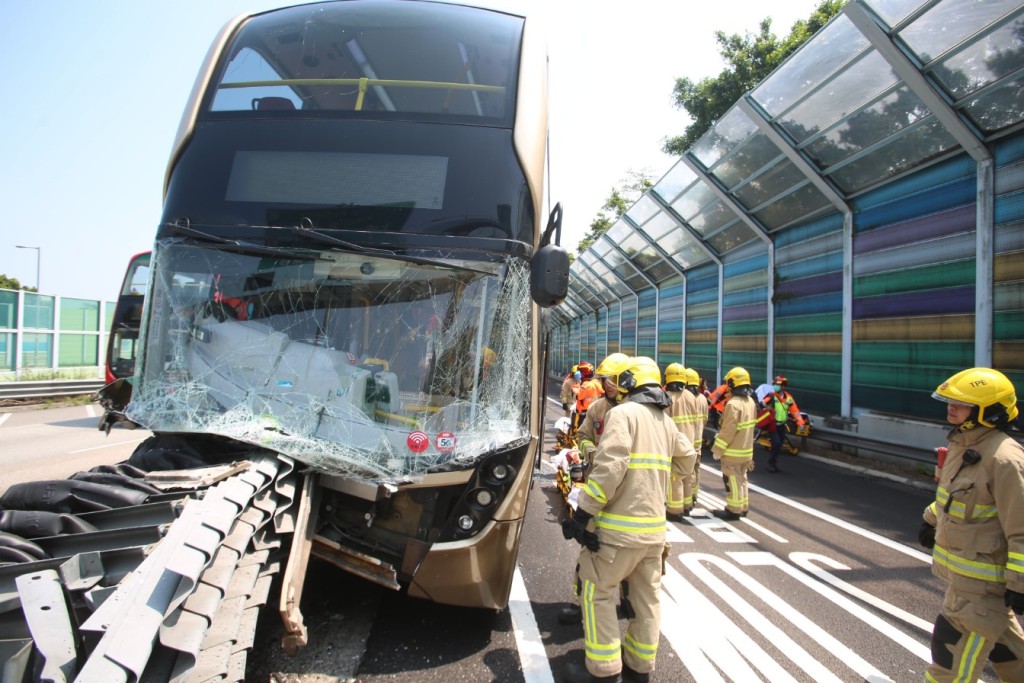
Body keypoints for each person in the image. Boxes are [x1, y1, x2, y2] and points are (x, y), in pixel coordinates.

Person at [561, 356, 696, 683]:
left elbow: (608, 471)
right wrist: (656, 481)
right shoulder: (664, 420)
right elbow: (687, 459)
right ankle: (638, 667)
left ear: (629, 384)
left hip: (617, 533)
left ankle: (604, 670)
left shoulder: (622, 415)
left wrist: (582, 515)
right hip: (653, 534)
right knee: (647, 600)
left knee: (598, 592)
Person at [918, 367, 1024, 682]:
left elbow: (1021, 529)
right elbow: (955, 497)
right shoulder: (962, 445)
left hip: (981, 592)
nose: (951, 408)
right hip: (962, 582)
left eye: (960, 404)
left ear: (988, 412)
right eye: (950, 401)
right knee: (1013, 659)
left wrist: (1020, 584)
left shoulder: (1005, 460)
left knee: (948, 669)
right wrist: (931, 519)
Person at [559, 352, 630, 626]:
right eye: (603, 380)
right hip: (599, 486)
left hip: (625, 493)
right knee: (588, 547)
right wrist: (591, 453)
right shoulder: (599, 408)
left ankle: (626, 601)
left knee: (627, 553)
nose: (605, 385)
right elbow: (584, 435)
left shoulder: (637, 411)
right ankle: (581, 603)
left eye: (609, 380)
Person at [711, 367, 757, 520]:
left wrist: (717, 449)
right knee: (742, 478)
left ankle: (733, 510)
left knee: (732, 480)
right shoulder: (750, 401)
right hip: (746, 451)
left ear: (732, 383)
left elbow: (728, 430)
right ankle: (743, 506)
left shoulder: (733, 404)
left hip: (733, 452)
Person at [663, 363, 701, 519]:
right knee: (687, 474)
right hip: (690, 442)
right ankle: (687, 505)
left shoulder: (668, 397)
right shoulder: (691, 396)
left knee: (675, 477)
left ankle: (674, 509)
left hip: (675, 443)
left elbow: (664, 422)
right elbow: (697, 421)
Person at [762, 375, 806, 473]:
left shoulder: (789, 398)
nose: (775, 386)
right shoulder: (771, 395)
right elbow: (763, 403)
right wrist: (764, 403)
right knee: (776, 443)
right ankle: (771, 463)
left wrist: (800, 422)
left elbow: (795, 411)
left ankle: (773, 461)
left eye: (778, 385)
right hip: (772, 424)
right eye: (774, 384)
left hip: (782, 425)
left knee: (779, 444)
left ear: (783, 386)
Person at [685, 368, 709, 512]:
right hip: (697, 442)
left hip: (686, 442)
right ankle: (694, 496)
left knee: (685, 473)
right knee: (696, 470)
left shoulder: (685, 398)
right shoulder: (702, 399)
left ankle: (685, 501)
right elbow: (705, 419)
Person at [573, 361, 603, 435]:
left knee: (582, 431)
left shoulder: (586, 385)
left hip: (583, 412)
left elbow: (579, 395)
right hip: (595, 411)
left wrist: (576, 383)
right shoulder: (596, 383)